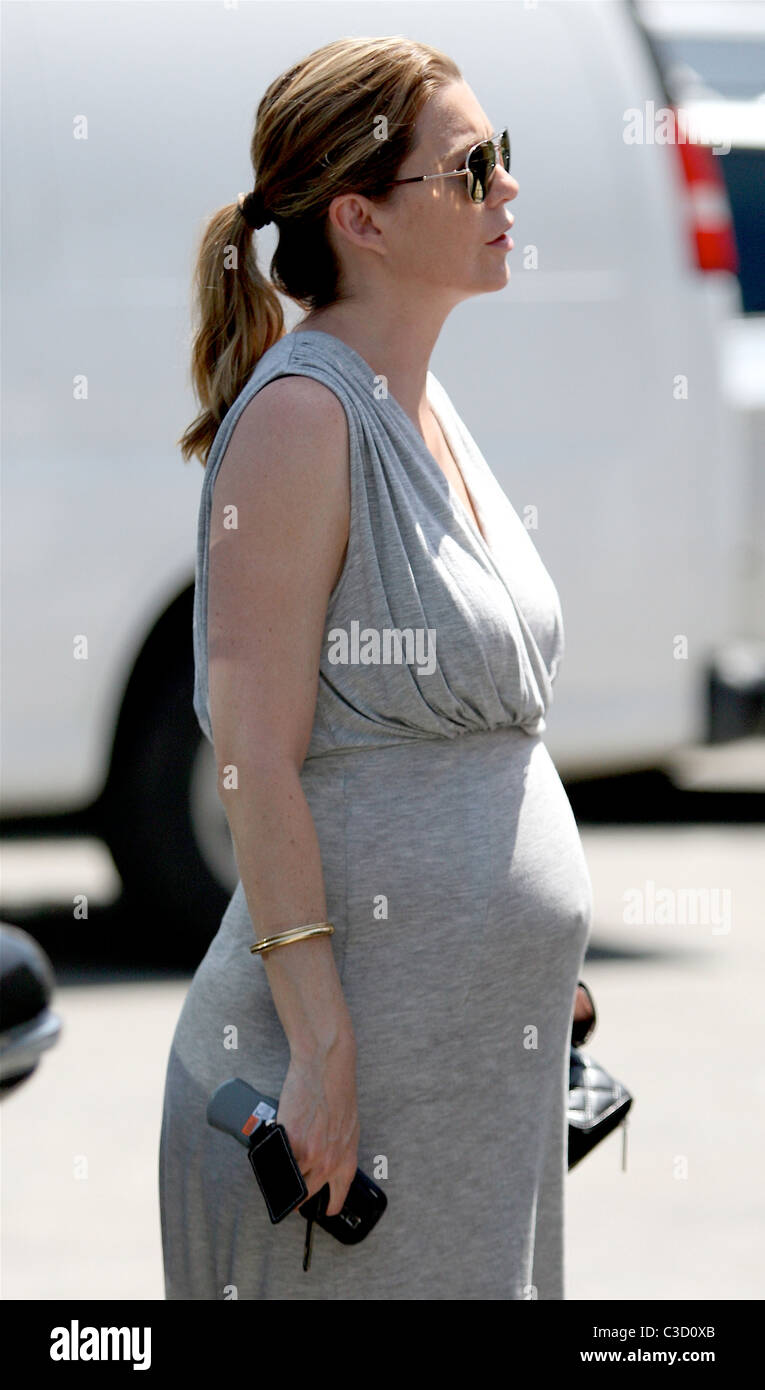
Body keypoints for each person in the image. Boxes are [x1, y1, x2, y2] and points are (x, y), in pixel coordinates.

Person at [159, 34, 593, 1301]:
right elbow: (251, 755)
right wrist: (326, 1055)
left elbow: (479, 745)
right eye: (473, 167)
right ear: (361, 218)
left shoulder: (424, 400)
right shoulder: (303, 418)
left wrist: (541, 971)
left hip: (473, 1086)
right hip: (340, 1103)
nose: (507, 188)